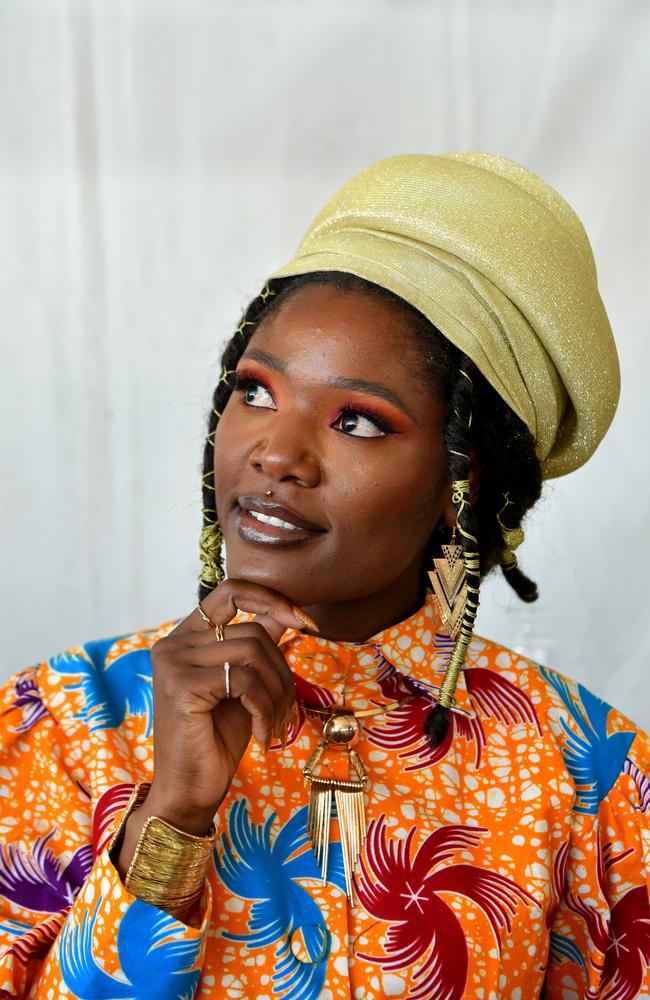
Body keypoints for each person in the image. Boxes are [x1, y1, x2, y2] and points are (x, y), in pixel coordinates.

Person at [1, 152, 648, 1000]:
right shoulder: (59, 724)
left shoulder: (588, 773)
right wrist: (173, 814)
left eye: (357, 420)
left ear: (466, 480)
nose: (275, 453)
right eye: (257, 391)